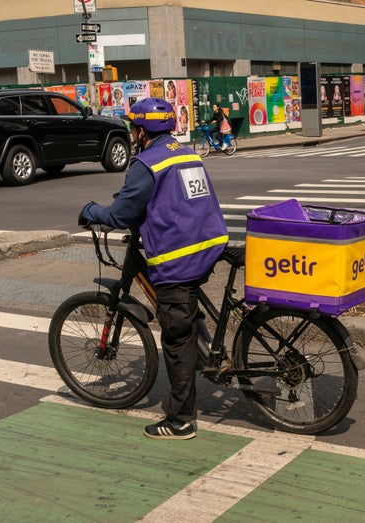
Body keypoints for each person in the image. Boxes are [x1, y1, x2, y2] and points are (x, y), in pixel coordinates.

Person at [78, 97, 229, 441]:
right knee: (185, 312)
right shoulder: (187, 152)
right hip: (209, 243)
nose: (132, 132)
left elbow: (118, 216)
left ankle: (180, 422)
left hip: (181, 257)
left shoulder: (146, 164)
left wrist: (90, 210)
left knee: (175, 338)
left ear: (142, 130)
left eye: (134, 126)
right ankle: (204, 346)